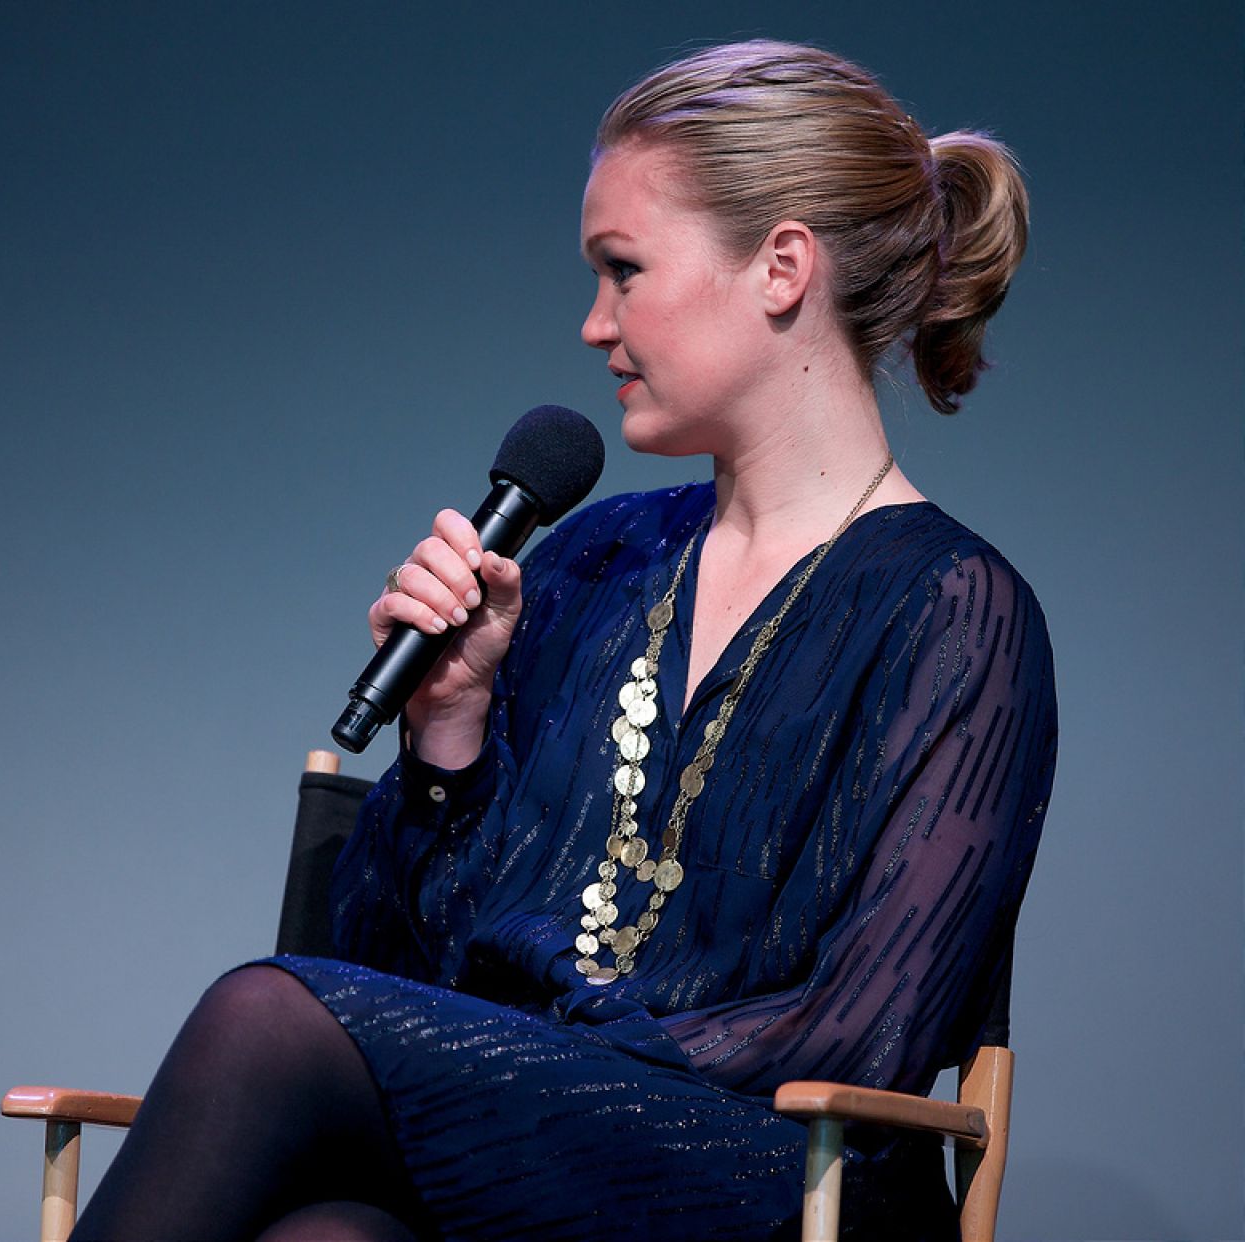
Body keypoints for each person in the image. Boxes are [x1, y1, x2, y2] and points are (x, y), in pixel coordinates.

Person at [71, 39, 1056, 1242]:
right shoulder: (594, 558)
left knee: (267, 1017)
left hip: (789, 1174)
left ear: (780, 267)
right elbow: (389, 972)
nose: (593, 326)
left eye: (622, 269)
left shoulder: (953, 607)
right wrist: (447, 736)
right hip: (539, 1156)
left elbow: (870, 1029)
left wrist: (547, 1049)